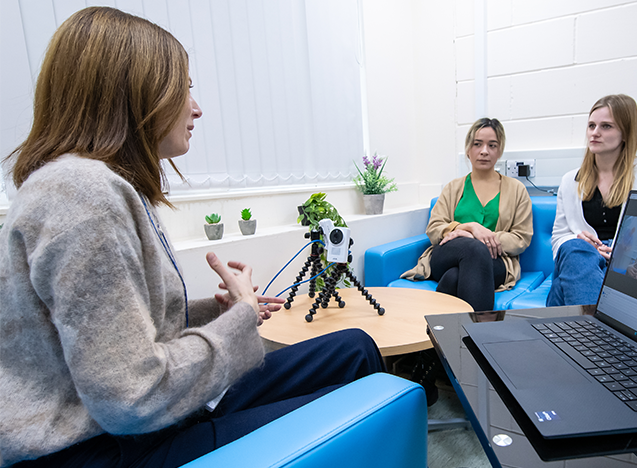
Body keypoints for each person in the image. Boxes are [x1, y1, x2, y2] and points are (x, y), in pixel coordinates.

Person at [0, 7, 384, 468]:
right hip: (101, 448)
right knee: (371, 399)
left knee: (354, 347)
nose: (196, 108)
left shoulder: (104, 187)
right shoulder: (81, 195)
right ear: (134, 93)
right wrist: (239, 315)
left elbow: (115, 337)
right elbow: (131, 398)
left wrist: (213, 313)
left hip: (133, 425)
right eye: (184, 90)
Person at [547, 94, 637, 307]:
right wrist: (580, 241)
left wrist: (619, 252)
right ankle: (596, 334)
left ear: (625, 133)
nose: (595, 133)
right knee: (574, 250)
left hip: (625, 267)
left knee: (564, 282)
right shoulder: (570, 180)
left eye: (606, 126)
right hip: (579, 261)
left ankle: (569, 335)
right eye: (591, 126)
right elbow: (559, 236)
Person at [401, 118, 533, 312]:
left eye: (492, 145)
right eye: (477, 144)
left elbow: (521, 238)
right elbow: (434, 228)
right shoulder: (453, 188)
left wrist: (484, 239)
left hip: (495, 261)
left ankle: (441, 338)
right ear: (468, 150)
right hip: (446, 256)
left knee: (454, 277)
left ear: (499, 151)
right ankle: (481, 336)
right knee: (473, 249)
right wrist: (468, 228)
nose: (484, 151)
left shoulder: (517, 190)